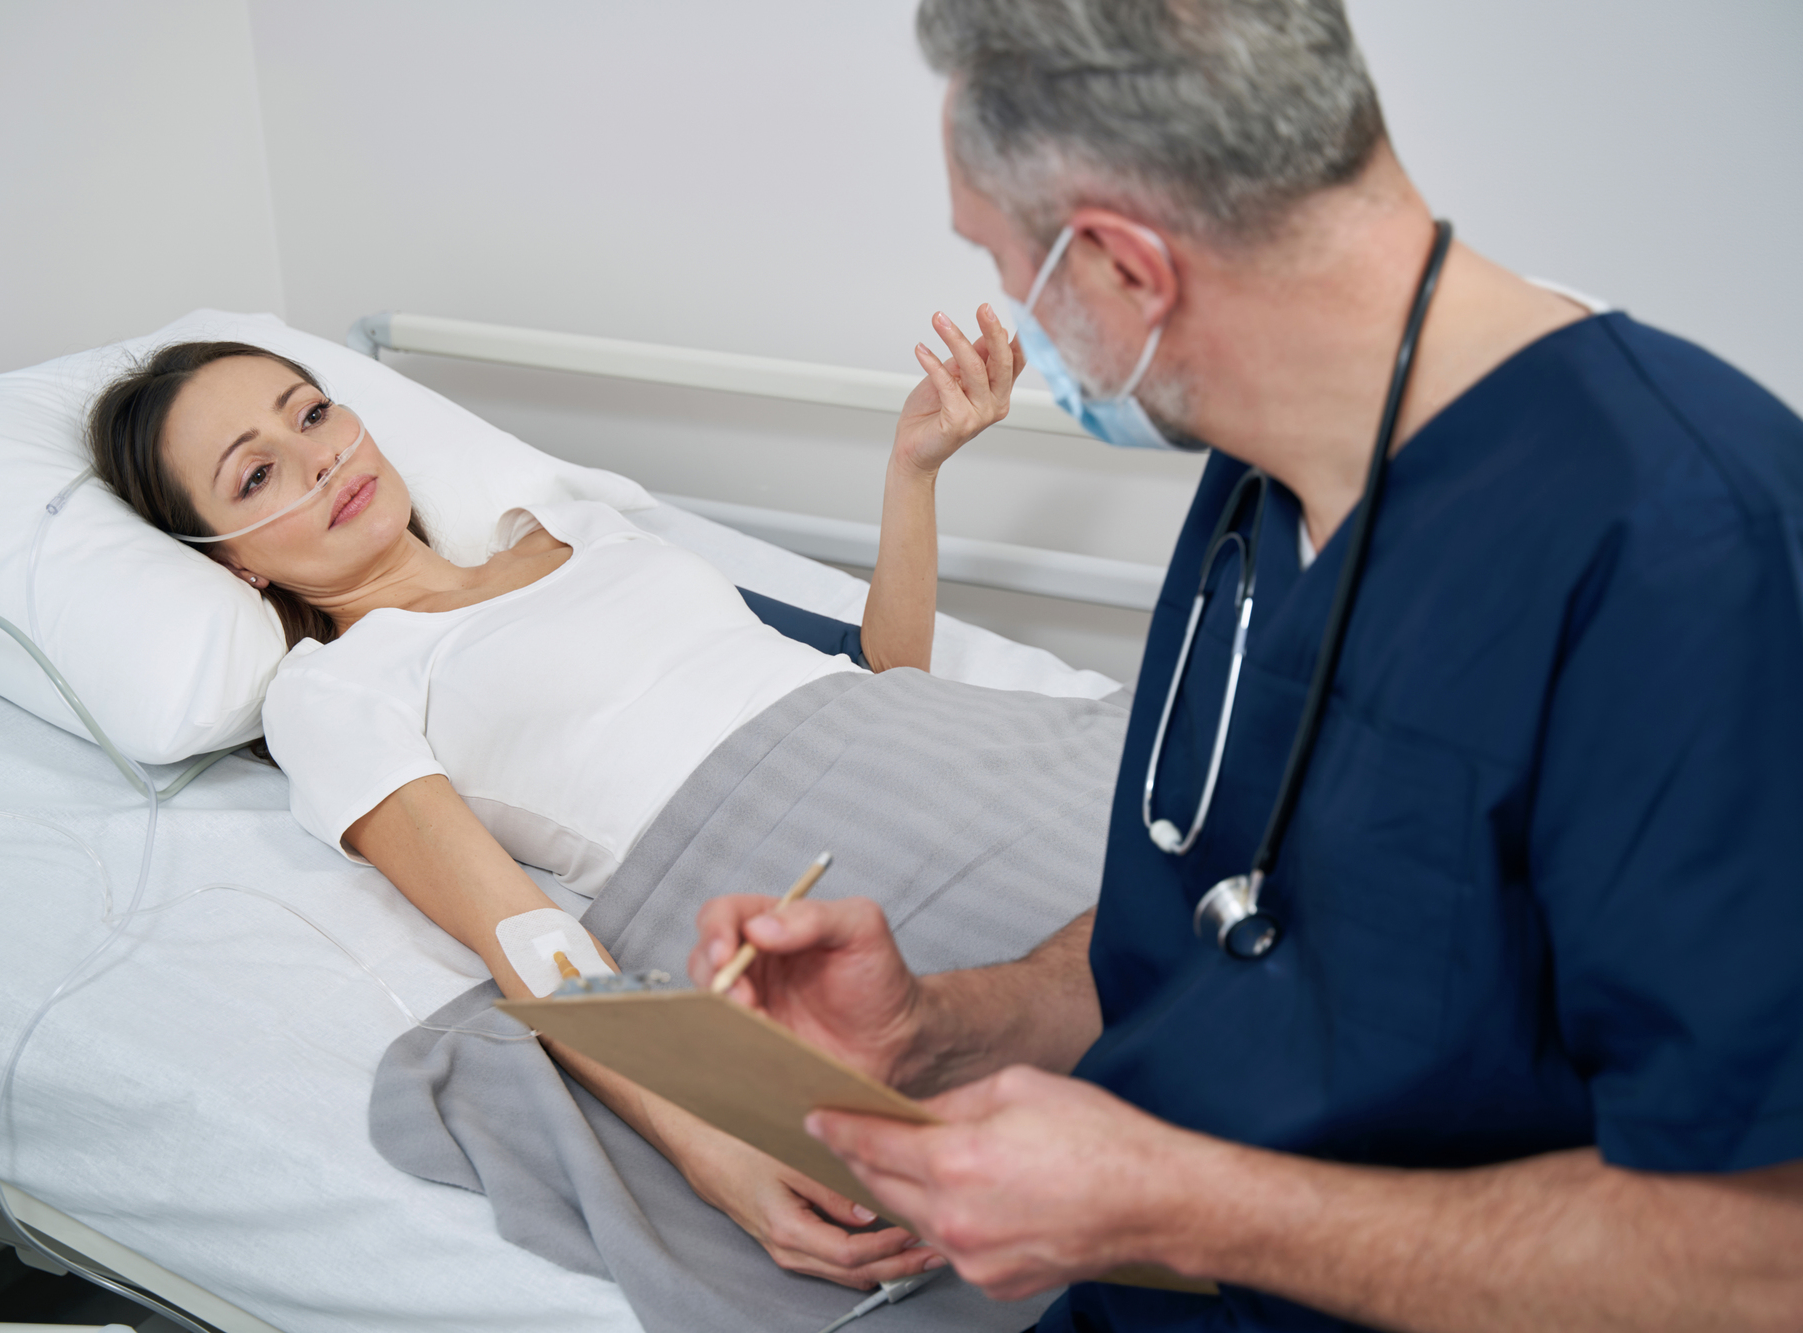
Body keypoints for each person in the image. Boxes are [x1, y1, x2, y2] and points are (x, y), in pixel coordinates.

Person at [689, 1, 1803, 1329]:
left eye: (1004, 265)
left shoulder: (1685, 550)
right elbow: (1233, 909)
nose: (1009, 315)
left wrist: (1174, 1201)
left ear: (1122, 268)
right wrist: (937, 1029)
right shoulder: (1269, 458)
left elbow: (1758, 1264)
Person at [88, 308, 1064, 1290]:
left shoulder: (571, 526)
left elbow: (888, 673)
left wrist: (913, 468)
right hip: (816, 847)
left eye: (310, 415)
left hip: (962, 754)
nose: (317, 461)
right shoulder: (334, 690)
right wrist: (711, 1146)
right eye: (255, 475)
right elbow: (517, 931)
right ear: (231, 561)